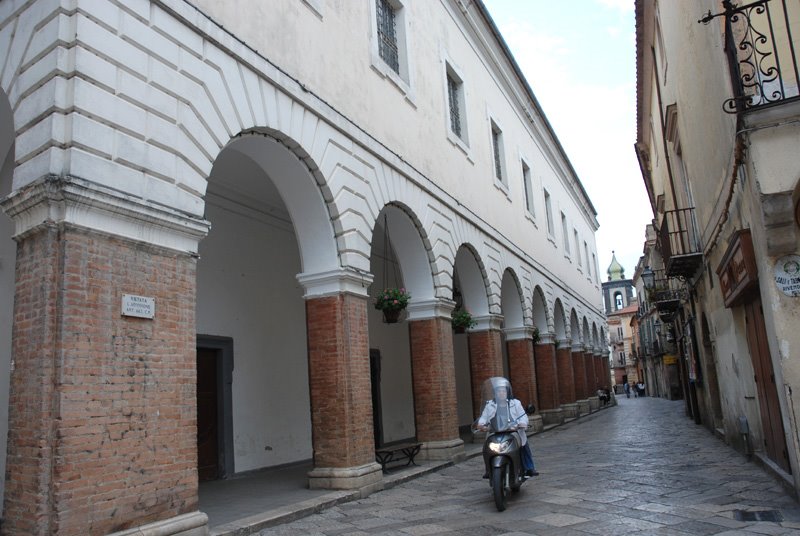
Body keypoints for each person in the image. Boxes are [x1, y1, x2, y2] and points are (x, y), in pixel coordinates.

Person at [476, 378, 538, 477]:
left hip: (513, 431)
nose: (501, 393)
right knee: (486, 448)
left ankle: (529, 467)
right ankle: (488, 469)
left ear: (507, 392)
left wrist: (522, 423)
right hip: (495, 431)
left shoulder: (515, 403)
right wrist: (481, 424)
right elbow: (484, 417)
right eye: (499, 391)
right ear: (495, 393)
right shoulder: (490, 405)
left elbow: (523, 416)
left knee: (523, 445)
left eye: (503, 391)